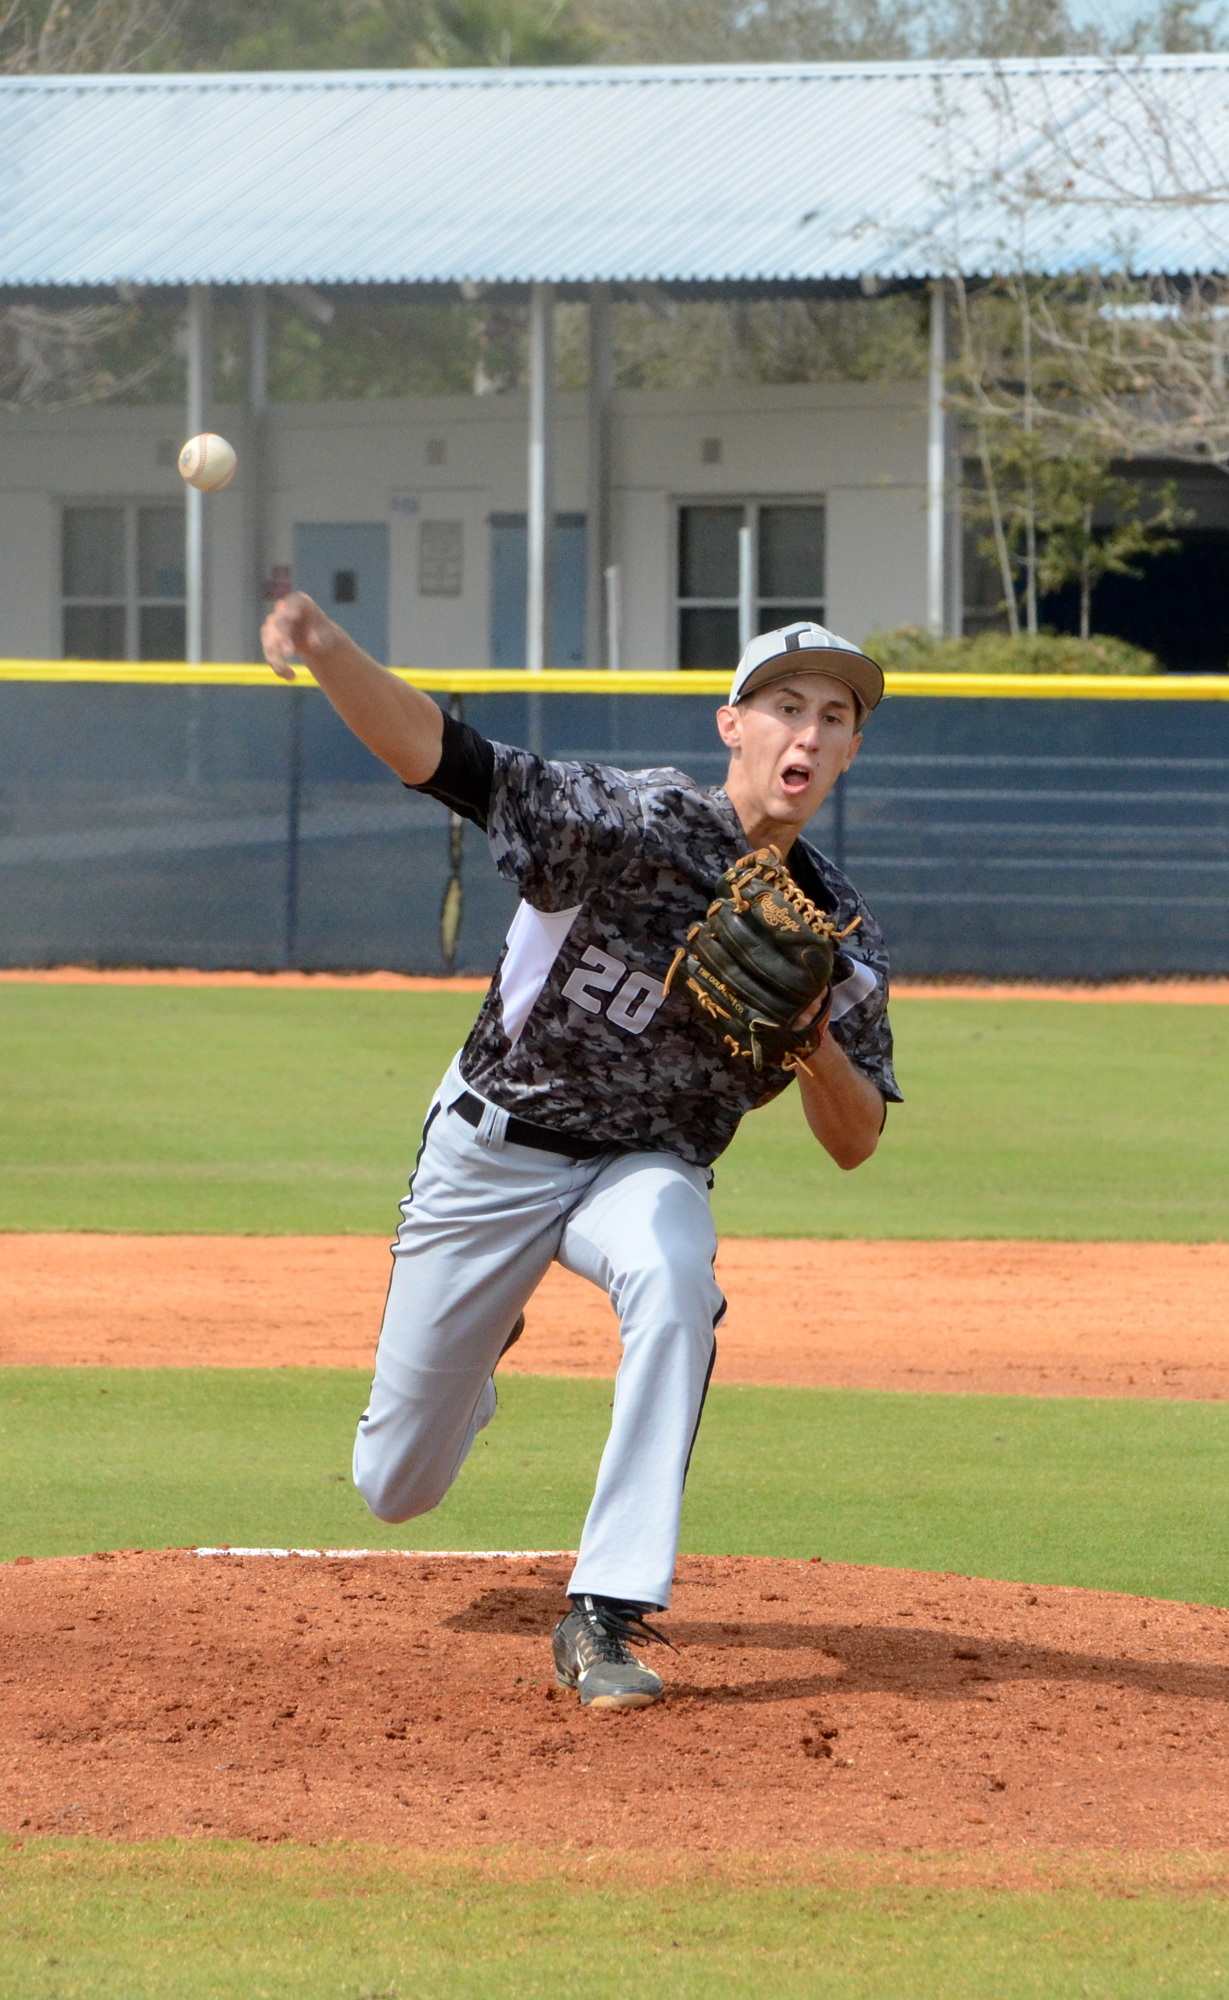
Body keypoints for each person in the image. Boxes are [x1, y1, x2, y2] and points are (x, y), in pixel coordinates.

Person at [261, 598, 901, 1710]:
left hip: (644, 1168)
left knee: (674, 1281)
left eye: (833, 715)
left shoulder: (834, 932)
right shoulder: (633, 821)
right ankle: (476, 1355)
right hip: (493, 1153)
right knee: (393, 1486)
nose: (807, 733)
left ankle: (603, 1609)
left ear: (849, 746)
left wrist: (807, 1046)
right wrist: (323, 649)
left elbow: (856, 1141)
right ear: (731, 725)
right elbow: (446, 759)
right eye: (785, 706)